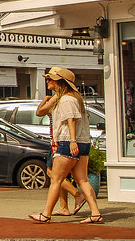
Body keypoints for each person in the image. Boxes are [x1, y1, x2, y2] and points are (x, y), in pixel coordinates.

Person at [28, 67, 103, 225]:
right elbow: (42, 112)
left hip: (67, 142)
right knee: (82, 180)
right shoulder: (70, 97)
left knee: (56, 179)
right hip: (82, 142)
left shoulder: (67, 99)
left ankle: (46, 214)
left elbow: (71, 119)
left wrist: (72, 141)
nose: (47, 81)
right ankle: (95, 213)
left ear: (59, 81)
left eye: (50, 79)